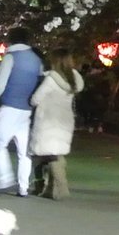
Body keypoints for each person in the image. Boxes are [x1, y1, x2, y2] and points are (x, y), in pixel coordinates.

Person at [0, 27, 45, 196]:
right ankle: (23, 187)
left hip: (9, 107)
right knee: (24, 151)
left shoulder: (11, 57)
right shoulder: (36, 59)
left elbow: (0, 84)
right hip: (27, 109)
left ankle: (4, 178)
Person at [28, 49, 84, 200]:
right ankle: (51, 190)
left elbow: (36, 99)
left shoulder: (51, 79)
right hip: (65, 119)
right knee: (56, 152)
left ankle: (62, 187)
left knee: (52, 155)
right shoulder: (73, 78)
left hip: (48, 120)